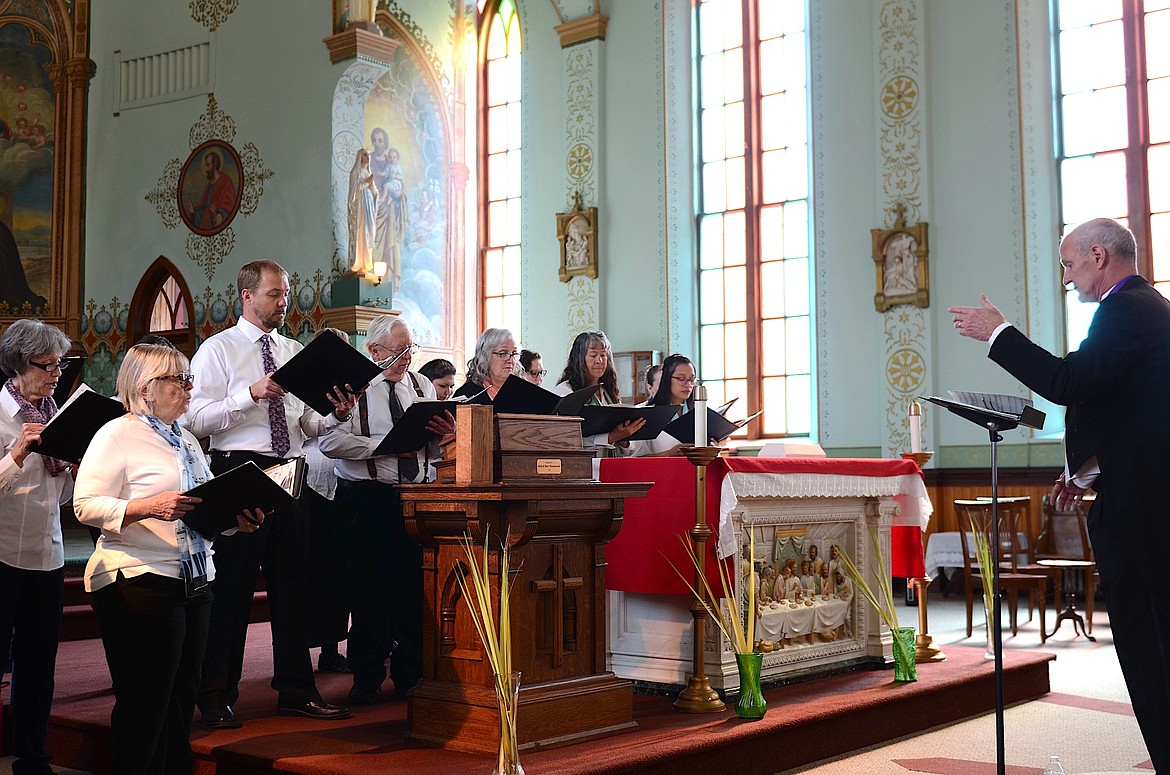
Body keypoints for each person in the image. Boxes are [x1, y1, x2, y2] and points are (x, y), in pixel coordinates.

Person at [948, 217, 1170, 773]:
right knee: (1147, 640)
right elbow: (1121, 406)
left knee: (1150, 643)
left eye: (1069, 265)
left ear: (1099, 255)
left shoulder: (1128, 308)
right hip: (1137, 494)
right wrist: (1085, 472)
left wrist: (999, 334)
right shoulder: (1137, 309)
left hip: (1146, 506)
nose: (1067, 278)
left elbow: (1070, 382)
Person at [73, 344, 265, 775]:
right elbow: (84, 505)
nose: (188, 387)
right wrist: (147, 507)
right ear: (145, 388)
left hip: (194, 577)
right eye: (178, 379)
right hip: (139, 577)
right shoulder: (115, 434)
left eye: (188, 378)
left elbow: (202, 505)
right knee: (146, 700)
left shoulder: (189, 440)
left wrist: (236, 520)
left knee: (182, 698)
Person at [187, 259, 356, 729]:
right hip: (240, 470)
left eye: (287, 294)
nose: (285, 302)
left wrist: (337, 414)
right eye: (275, 294)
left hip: (291, 470)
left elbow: (306, 424)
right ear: (247, 296)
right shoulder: (216, 351)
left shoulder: (293, 349)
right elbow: (195, 420)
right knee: (234, 589)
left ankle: (296, 688)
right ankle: (216, 694)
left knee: (293, 587)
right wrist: (251, 394)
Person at [318, 315, 454, 704]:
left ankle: (411, 674)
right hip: (367, 498)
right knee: (369, 590)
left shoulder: (422, 385)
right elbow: (329, 444)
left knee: (414, 590)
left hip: (416, 498)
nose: (406, 359)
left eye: (410, 350)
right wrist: (383, 447)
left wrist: (446, 433)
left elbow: (432, 441)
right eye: (398, 351)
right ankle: (367, 675)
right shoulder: (353, 387)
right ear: (373, 350)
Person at [0, 319, 74, 775]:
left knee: (38, 664)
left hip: (48, 552)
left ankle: (32, 755)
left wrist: (69, 468)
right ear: (17, 363)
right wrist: (15, 455)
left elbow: (59, 497)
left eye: (60, 365)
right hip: (2, 552)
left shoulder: (54, 412)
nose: (55, 374)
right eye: (46, 365)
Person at [303, 329, 352, 675]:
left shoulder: (354, 388)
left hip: (344, 485)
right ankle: (318, 647)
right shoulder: (304, 385)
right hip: (312, 485)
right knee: (318, 573)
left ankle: (334, 646)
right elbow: (304, 428)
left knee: (340, 573)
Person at [552, 331, 645, 451]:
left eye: (603, 355)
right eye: (593, 355)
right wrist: (610, 437)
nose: (599, 360)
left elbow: (628, 449)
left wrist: (624, 439)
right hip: (581, 466)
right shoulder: (565, 391)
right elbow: (562, 439)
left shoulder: (608, 392)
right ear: (579, 359)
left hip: (610, 465)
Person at [628, 353, 694, 457]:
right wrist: (669, 454)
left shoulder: (697, 412)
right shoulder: (647, 414)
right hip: (661, 472)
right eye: (681, 379)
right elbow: (637, 459)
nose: (688, 385)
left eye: (691, 379)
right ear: (667, 380)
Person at [370, 129, 408, 292]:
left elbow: (401, 188)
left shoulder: (391, 163)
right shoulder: (369, 159)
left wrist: (399, 195)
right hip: (373, 207)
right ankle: (372, 279)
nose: (378, 143)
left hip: (389, 209)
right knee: (375, 242)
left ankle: (387, 281)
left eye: (381, 140)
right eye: (376, 140)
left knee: (390, 245)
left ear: (385, 142)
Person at [453, 328, 519, 400]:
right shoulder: (467, 395)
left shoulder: (523, 393)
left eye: (514, 353)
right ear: (485, 357)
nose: (511, 360)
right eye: (503, 353)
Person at [186, 149, 237, 231]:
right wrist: (193, 211)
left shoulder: (225, 181)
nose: (206, 169)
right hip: (206, 221)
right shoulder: (209, 185)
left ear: (215, 164)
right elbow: (203, 206)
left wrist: (220, 214)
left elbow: (229, 204)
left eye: (208, 165)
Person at [347, 148, 378, 276]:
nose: (368, 157)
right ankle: (358, 262)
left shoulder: (367, 172)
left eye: (369, 155)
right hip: (360, 207)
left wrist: (374, 190)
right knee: (361, 232)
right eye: (365, 155)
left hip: (368, 205)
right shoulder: (356, 172)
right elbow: (354, 191)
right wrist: (366, 183)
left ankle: (366, 262)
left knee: (368, 231)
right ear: (360, 157)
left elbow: (374, 191)